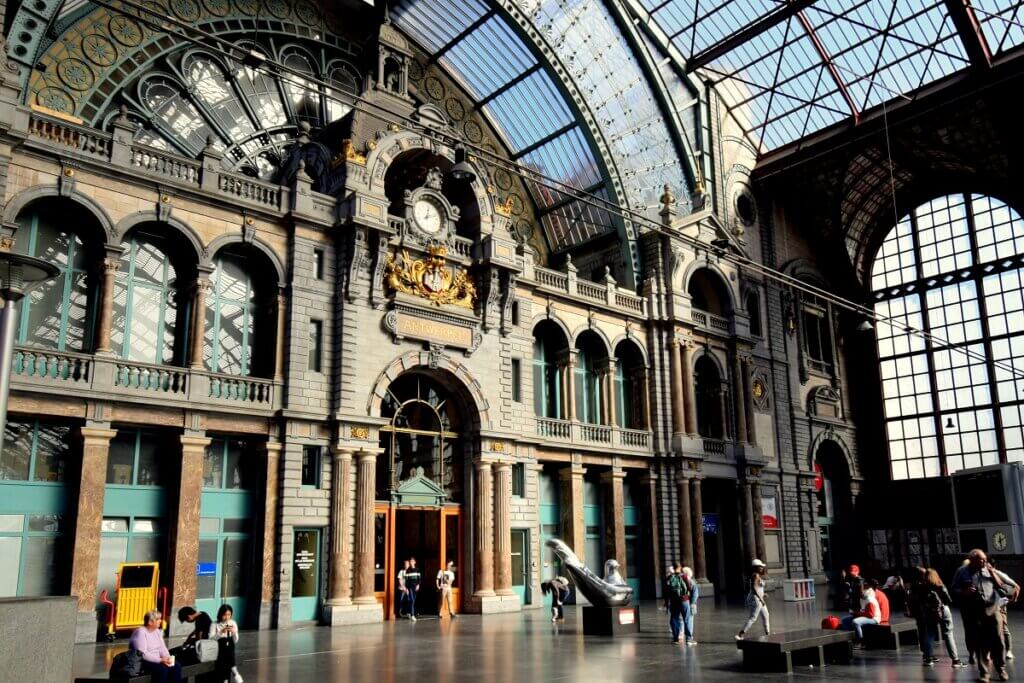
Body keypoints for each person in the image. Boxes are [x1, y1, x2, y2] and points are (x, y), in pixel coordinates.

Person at [952, 548, 1019, 682]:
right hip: (975, 612)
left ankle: (1001, 668)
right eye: (980, 560)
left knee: (999, 641)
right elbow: (954, 588)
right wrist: (964, 591)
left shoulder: (988, 568)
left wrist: (992, 572)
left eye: (985, 559)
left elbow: (1001, 585)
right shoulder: (961, 572)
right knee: (980, 643)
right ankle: (984, 673)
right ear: (972, 561)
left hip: (993, 609)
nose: (984, 562)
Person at [906, 566, 965, 668]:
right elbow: (948, 600)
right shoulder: (940, 585)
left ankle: (928, 659)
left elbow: (918, 600)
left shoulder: (920, 587)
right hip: (943, 610)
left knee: (929, 634)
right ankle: (955, 660)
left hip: (928, 611)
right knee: (948, 634)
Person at [129, 610, 182, 683]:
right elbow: (142, 654)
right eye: (157, 619)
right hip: (143, 661)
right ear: (150, 622)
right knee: (162, 669)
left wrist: (167, 658)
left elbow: (162, 647)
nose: (160, 621)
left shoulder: (157, 631)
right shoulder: (140, 632)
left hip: (157, 660)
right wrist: (160, 660)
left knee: (176, 666)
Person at [736, 559, 770, 640]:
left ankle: (768, 633)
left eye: (762, 567)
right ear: (756, 567)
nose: (762, 568)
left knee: (766, 615)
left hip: (759, 599)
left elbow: (758, 588)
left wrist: (763, 594)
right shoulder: (755, 575)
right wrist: (761, 599)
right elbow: (754, 588)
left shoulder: (757, 575)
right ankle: (740, 635)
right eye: (760, 567)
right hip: (756, 600)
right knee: (753, 618)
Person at [211, 603, 243, 683]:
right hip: (218, 648)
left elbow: (235, 641)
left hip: (229, 649)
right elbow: (211, 639)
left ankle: (225, 680)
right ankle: (235, 671)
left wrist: (234, 632)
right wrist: (221, 632)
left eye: (229, 615)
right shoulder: (214, 624)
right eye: (224, 615)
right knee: (223, 642)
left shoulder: (233, 623)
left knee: (226, 656)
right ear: (220, 614)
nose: (227, 617)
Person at [664, 563, 686, 643]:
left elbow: (665, 592)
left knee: (674, 618)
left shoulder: (668, 578)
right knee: (684, 619)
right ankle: (687, 637)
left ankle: (675, 637)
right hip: (682, 600)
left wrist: (666, 603)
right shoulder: (682, 576)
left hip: (673, 601)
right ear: (679, 568)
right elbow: (685, 588)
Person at [681, 566, 700, 646]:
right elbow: (695, 595)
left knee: (681, 619)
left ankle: (681, 634)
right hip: (689, 603)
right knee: (689, 620)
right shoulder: (692, 582)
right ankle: (689, 638)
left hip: (680, 602)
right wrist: (692, 603)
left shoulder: (680, 580)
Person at [405, 557, 422, 622]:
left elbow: (419, 578)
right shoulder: (408, 570)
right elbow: (406, 580)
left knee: (413, 600)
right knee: (412, 600)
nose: (411, 562)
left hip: (415, 587)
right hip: (410, 587)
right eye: (410, 561)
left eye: (412, 561)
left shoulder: (417, 569)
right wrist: (406, 588)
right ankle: (412, 615)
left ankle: (408, 612)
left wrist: (418, 585)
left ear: (415, 562)